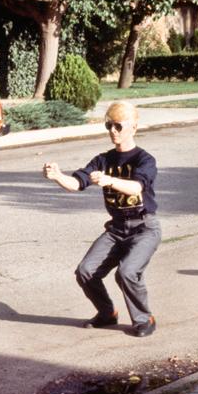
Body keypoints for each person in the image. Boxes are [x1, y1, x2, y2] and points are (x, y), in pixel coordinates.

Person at [42, 101, 160, 337]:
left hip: (144, 228)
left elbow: (136, 187)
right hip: (117, 230)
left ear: (134, 127)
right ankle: (107, 314)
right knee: (85, 271)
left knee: (126, 271)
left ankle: (144, 318)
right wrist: (57, 176)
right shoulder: (103, 160)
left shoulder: (144, 160)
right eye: (109, 126)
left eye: (118, 126)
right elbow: (77, 184)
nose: (113, 131)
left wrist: (109, 181)